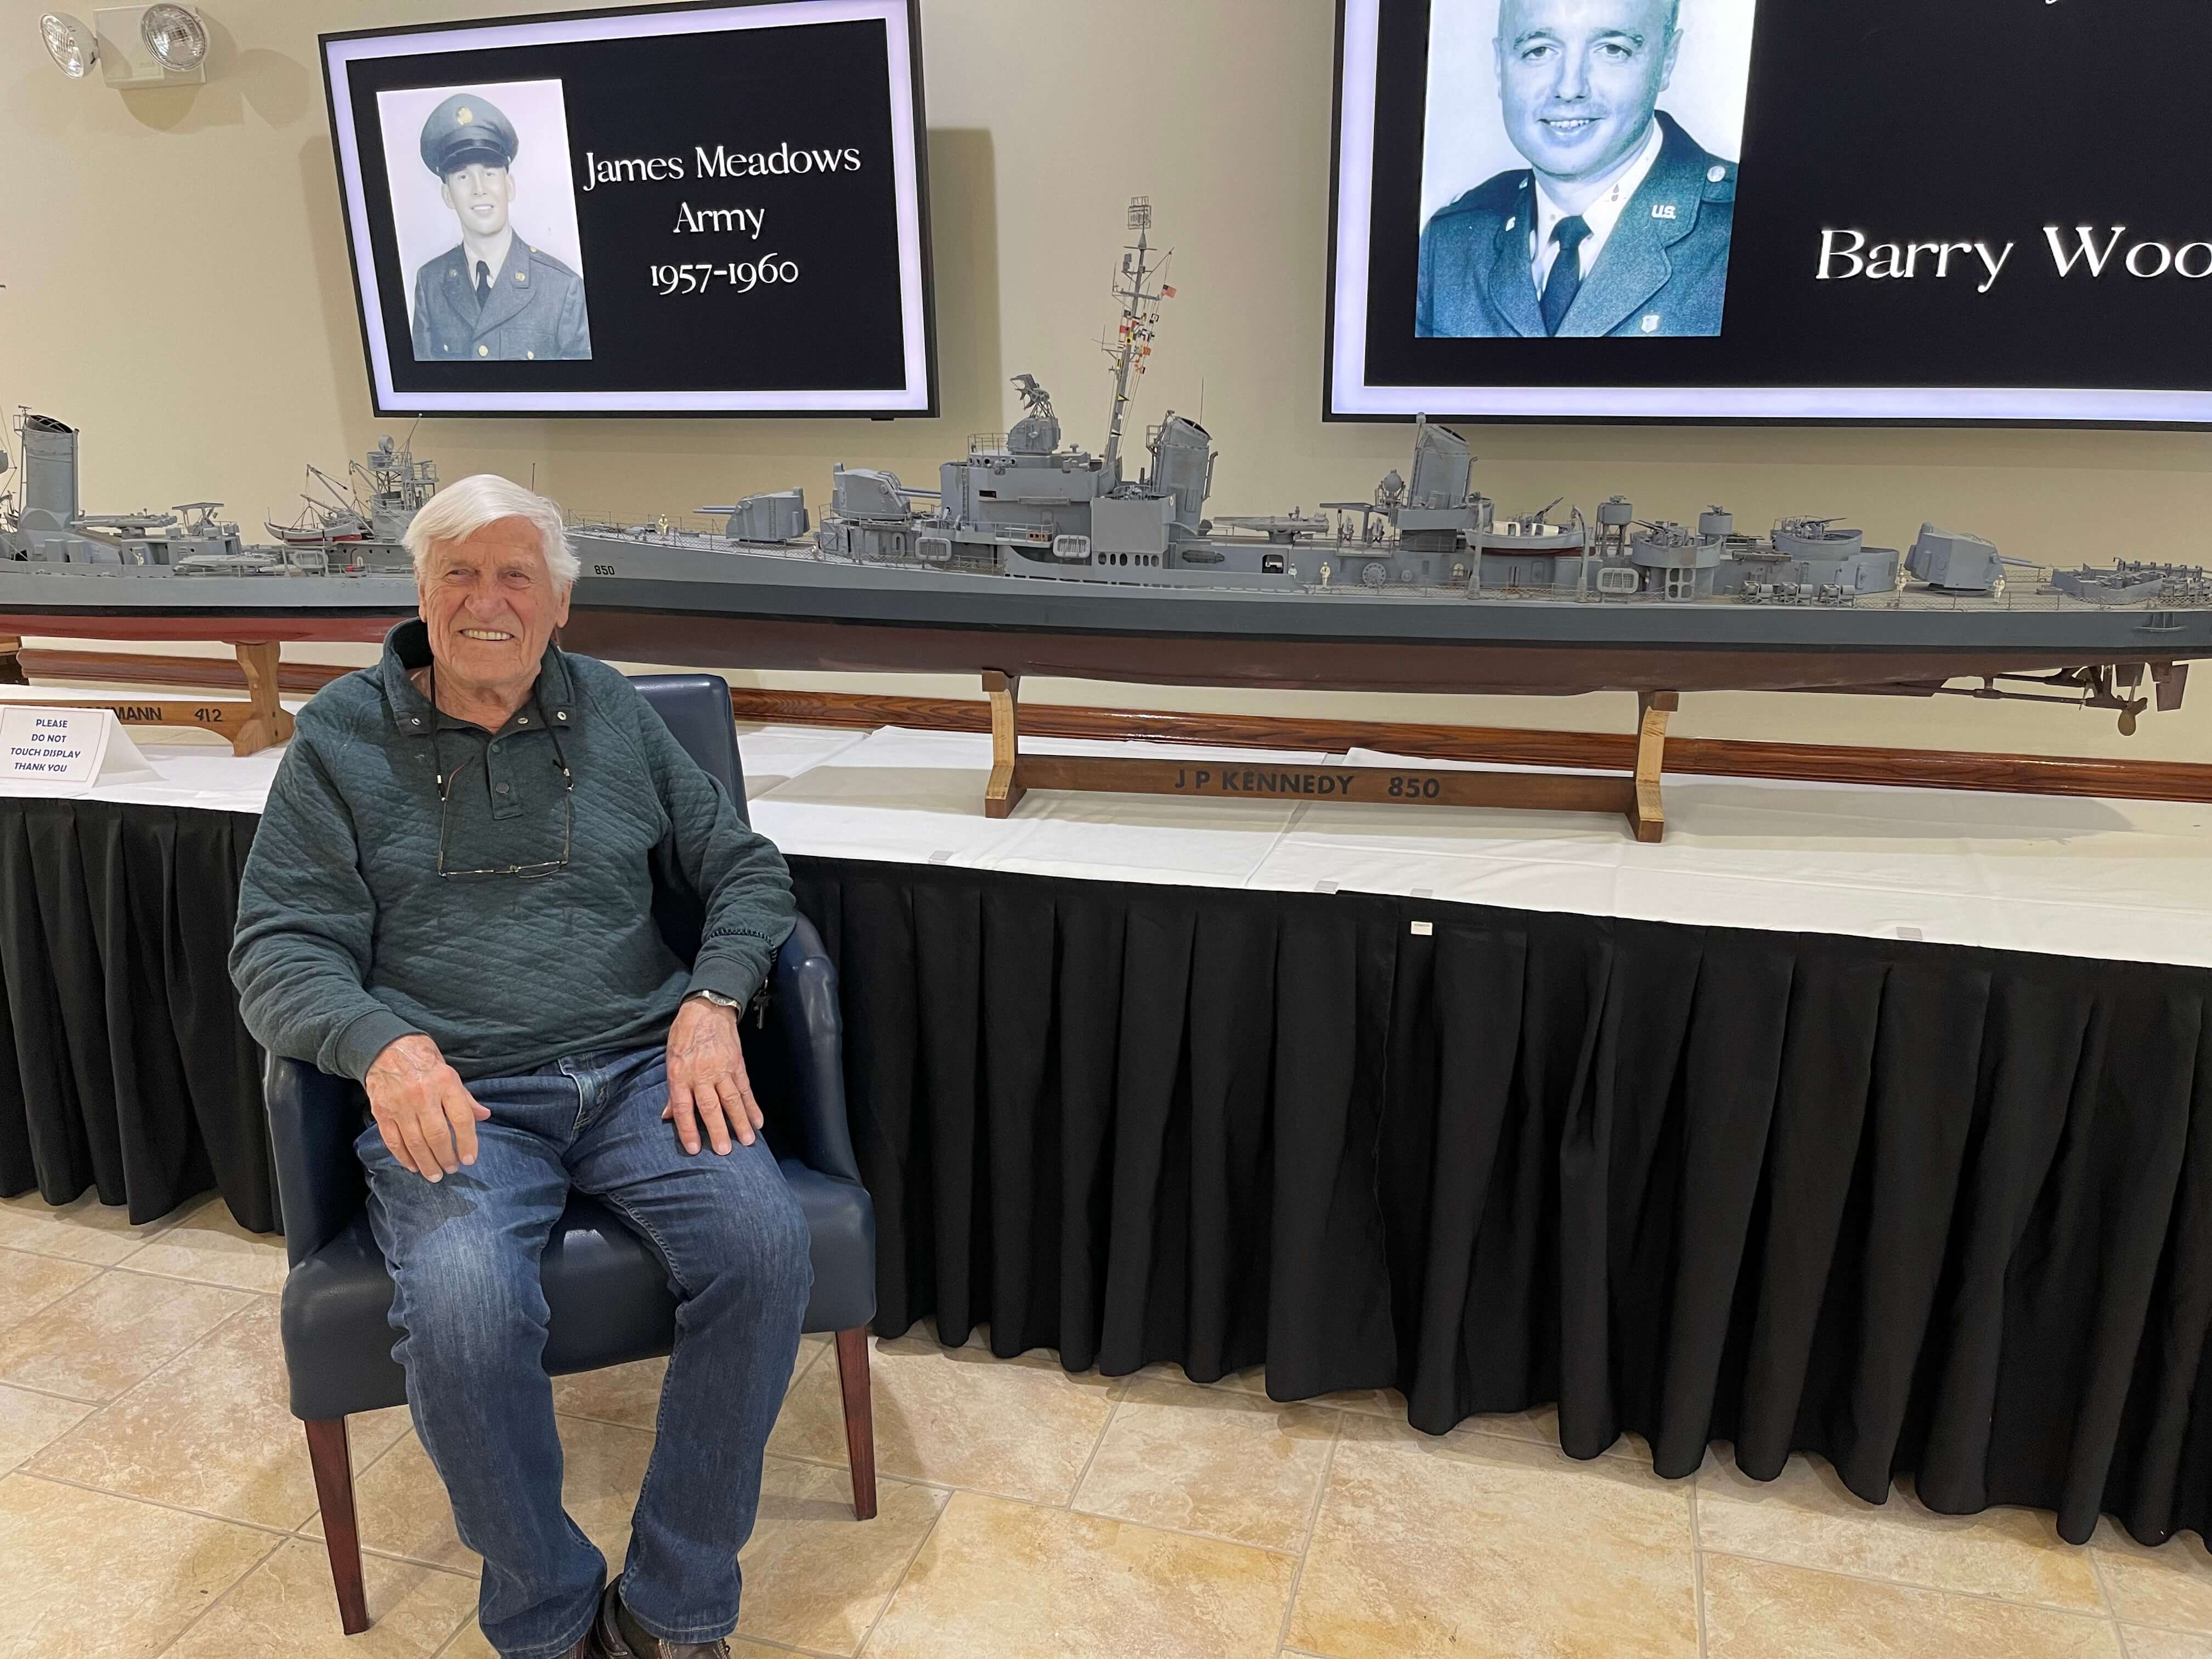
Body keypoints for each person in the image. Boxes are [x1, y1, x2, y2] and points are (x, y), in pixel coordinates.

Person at [230, 473, 805, 1659]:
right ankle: (545, 1613)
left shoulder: (614, 713)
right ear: (421, 592)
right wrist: (380, 1045)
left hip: (645, 1065)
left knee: (765, 1246)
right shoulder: (339, 736)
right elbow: (279, 948)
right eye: (459, 573)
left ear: (557, 608)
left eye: (515, 577)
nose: (486, 601)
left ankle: (674, 1603)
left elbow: (746, 871)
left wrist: (710, 1003)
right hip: (463, 1093)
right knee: (465, 1313)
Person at [1417, 0, 1736, 338]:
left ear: (1668, 60)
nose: (1569, 88)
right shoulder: (1451, 242)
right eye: (1539, 50)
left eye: (1613, 49)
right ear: (1500, 66)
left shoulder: (1748, 233)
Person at [410, 92, 592, 362]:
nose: (479, 189)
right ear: (447, 195)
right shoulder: (431, 283)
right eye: (462, 176)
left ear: (509, 186)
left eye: (490, 173)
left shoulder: (563, 288)